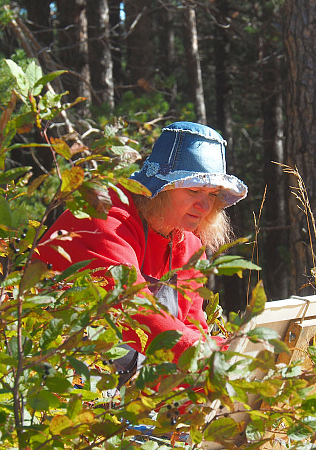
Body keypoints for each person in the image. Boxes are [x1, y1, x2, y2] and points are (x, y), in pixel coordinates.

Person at [34, 121, 248, 385]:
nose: (204, 206)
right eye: (193, 190)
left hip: (118, 390)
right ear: (160, 188)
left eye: (213, 194)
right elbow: (137, 314)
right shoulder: (102, 219)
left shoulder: (190, 248)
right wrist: (218, 358)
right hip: (50, 383)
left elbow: (191, 333)